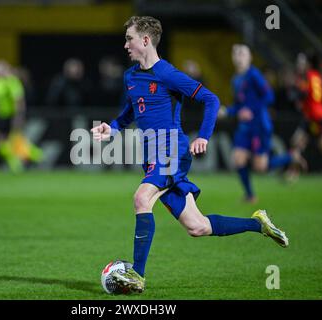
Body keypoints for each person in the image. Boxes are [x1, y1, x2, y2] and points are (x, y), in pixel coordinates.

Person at [91, 17, 289, 293]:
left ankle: (137, 274)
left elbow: (211, 99)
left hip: (172, 151)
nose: (126, 45)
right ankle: (258, 224)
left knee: (141, 198)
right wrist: (110, 128)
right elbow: (130, 112)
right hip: (152, 157)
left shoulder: (168, 74)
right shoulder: (130, 76)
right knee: (198, 227)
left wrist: (204, 136)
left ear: (145, 41)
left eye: (129, 39)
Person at [219, 44, 306, 202]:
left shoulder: (254, 75)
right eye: (236, 54)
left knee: (261, 167)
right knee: (238, 158)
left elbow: (269, 96)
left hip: (260, 125)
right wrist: (228, 111)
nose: (239, 57)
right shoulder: (235, 79)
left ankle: (291, 156)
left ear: (249, 57)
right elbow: (240, 105)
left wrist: (250, 110)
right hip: (245, 127)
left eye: (242, 54)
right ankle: (250, 195)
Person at [0, 60, 42, 173]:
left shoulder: (12, 82)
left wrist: (18, 117)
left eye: (1, 68)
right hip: (1, 116)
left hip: (12, 115)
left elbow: (19, 100)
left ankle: (28, 158)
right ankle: (32, 157)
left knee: (11, 141)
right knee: (1, 142)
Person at [291, 52, 322, 155]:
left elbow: (302, 93)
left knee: (296, 141)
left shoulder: (306, 77)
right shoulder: (317, 76)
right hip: (321, 114)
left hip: (311, 115)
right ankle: (296, 166)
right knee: (321, 144)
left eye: (302, 63)